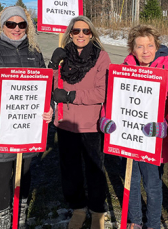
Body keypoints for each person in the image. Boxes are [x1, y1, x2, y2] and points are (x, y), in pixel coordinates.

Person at [0, 6, 53, 229]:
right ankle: (4, 218)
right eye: (11, 24)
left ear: (28, 26)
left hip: (27, 127)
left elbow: (45, 88)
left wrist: (49, 108)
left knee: (25, 172)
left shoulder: (34, 52)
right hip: (0, 129)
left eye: (22, 24)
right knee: (2, 174)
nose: (16, 29)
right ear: (2, 25)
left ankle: (21, 213)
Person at [101, 25, 168, 229]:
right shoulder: (124, 69)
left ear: (157, 46)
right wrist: (105, 119)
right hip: (129, 139)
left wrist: (165, 126)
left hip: (153, 140)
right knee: (130, 181)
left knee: (152, 184)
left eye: (150, 45)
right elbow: (113, 100)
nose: (145, 51)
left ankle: (152, 223)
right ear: (131, 49)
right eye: (140, 46)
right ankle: (135, 220)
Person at [48, 15, 111, 229]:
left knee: (94, 169)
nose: (81, 35)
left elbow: (101, 93)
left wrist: (72, 96)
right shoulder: (63, 55)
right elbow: (53, 87)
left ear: (91, 33)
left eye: (86, 31)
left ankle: (97, 210)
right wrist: (52, 64)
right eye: (76, 31)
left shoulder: (101, 57)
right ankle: (78, 208)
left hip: (91, 125)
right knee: (70, 169)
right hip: (65, 123)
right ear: (70, 33)